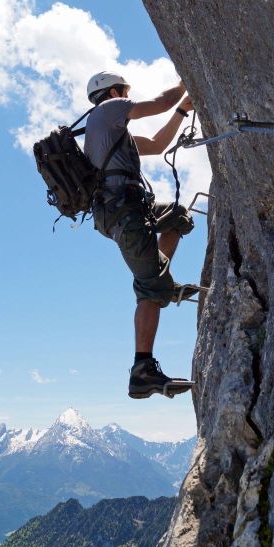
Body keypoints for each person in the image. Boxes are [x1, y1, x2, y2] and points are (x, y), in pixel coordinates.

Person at [83, 71, 198, 399]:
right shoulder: (107, 111)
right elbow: (160, 103)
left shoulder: (113, 134)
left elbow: (160, 144)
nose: (126, 97)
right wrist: (183, 80)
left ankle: (163, 280)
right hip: (126, 214)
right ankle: (142, 369)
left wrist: (181, 111)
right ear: (114, 92)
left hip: (131, 210)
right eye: (124, 93)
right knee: (149, 289)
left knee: (178, 217)